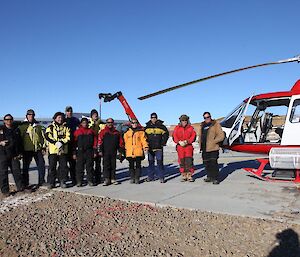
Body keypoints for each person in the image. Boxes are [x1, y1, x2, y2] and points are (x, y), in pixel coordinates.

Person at [19, 109, 46, 187]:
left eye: (32, 115)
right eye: (29, 115)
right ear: (26, 116)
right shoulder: (22, 126)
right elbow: (19, 139)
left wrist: (43, 147)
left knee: (41, 165)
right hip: (26, 150)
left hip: (37, 149)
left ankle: (41, 181)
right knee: (25, 167)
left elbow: (41, 136)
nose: (31, 116)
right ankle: (25, 183)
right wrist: (20, 151)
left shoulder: (38, 125)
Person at [45, 112, 71, 189]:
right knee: (52, 167)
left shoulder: (66, 127)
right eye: (58, 117)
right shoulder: (50, 127)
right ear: (55, 118)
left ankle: (62, 181)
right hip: (53, 151)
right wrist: (55, 142)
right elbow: (47, 136)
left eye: (61, 117)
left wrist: (62, 142)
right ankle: (51, 182)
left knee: (63, 167)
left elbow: (68, 137)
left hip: (63, 150)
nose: (60, 119)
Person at [0, 114, 24, 196]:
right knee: (3, 173)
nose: (8, 121)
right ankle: (5, 191)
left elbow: (20, 143)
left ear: (12, 120)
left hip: (14, 155)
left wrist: (20, 153)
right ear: (4, 121)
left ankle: (20, 187)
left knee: (17, 172)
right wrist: (0, 142)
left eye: (10, 119)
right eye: (6, 119)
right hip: (3, 154)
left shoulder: (16, 130)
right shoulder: (1, 129)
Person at [199, 112, 225, 185]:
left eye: (208, 117)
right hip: (204, 148)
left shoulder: (215, 124)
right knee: (207, 163)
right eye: (205, 117)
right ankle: (209, 176)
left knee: (213, 163)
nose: (206, 119)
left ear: (210, 117)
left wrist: (214, 141)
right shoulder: (202, 125)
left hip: (213, 148)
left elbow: (221, 135)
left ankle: (215, 178)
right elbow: (200, 135)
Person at [98, 118, 124, 186]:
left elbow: (120, 142)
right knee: (106, 166)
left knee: (113, 165)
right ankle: (106, 179)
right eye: (108, 122)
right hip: (105, 151)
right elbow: (100, 141)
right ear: (106, 123)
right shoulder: (103, 132)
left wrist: (120, 151)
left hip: (114, 151)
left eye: (111, 122)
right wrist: (100, 150)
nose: (110, 123)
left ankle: (113, 178)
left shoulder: (117, 132)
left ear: (113, 123)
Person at [144, 112, 169, 183]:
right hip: (150, 148)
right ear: (150, 118)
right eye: (152, 118)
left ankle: (161, 177)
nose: (153, 119)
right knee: (151, 163)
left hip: (159, 148)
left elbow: (166, 135)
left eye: (154, 117)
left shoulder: (161, 126)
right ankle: (150, 177)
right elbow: (144, 136)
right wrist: (146, 144)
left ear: (156, 118)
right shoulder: (147, 127)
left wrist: (163, 143)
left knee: (159, 163)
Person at [73, 118, 97, 187]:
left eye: (86, 123)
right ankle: (79, 181)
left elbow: (95, 141)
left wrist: (95, 151)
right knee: (79, 167)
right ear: (81, 123)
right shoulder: (77, 132)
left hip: (89, 151)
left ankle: (90, 180)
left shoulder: (91, 131)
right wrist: (74, 153)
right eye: (83, 123)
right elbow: (74, 143)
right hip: (80, 151)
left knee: (89, 167)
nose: (85, 124)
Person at [123, 119, 148, 184]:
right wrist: (125, 149)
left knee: (138, 165)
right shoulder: (127, 132)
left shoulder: (141, 132)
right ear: (131, 124)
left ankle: (137, 178)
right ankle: (132, 178)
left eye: (135, 123)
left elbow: (143, 140)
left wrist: (145, 146)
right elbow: (125, 141)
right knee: (131, 165)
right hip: (130, 151)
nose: (134, 124)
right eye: (133, 123)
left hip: (138, 151)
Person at [173, 114, 197, 182]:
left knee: (189, 161)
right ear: (180, 121)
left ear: (187, 120)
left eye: (185, 120)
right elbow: (174, 136)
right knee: (181, 161)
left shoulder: (191, 128)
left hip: (188, 147)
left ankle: (189, 175)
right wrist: (178, 141)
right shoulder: (177, 128)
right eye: (183, 120)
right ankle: (183, 175)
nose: (184, 122)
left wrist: (188, 141)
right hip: (180, 147)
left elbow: (193, 136)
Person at [89, 109, 105, 184]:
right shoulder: (89, 123)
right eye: (93, 115)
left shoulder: (101, 123)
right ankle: (91, 178)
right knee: (90, 163)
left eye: (96, 114)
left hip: (99, 144)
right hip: (90, 145)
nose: (95, 116)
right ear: (91, 116)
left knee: (98, 163)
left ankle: (98, 178)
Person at [65, 106, 80, 185]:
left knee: (73, 163)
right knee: (63, 163)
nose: (69, 112)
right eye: (68, 111)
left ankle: (74, 179)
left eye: (70, 111)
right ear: (66, 112)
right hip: (65, 144)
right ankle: (64, 178)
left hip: (73, 143)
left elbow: (79, 129)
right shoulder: (63, 120)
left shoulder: (76, 120)